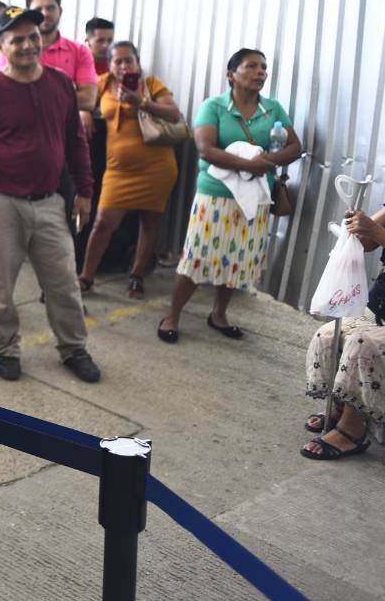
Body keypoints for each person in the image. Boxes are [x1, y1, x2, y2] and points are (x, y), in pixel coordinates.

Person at [0, 6, 102, 383]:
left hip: (51, 202)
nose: (26, 45)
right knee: (0, 287)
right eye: (16, 38)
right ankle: (5, 347)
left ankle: (73, 347)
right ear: (0, 44)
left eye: (32, 37)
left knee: (64, 283)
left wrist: (84, 191)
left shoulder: (60, 84)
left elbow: (75, 142)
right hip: (0, 203)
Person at [156, 48, 302, 343]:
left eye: (263, 67)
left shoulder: (272, 109)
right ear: (231, 74)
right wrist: (250, 164)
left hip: (255, 196)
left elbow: (294, 146)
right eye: (251, 66)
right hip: (216, 195)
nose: (261, 72)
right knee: (198, 257)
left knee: (236, 258)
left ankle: (219, 314)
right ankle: (172, 316)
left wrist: (267, 163)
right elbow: (206, 149)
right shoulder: (214, 106)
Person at [77, 41, 180, 298]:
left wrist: (141, 102)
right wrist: (85, 112)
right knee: (103, 223)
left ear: (137, 62)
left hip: (157, 168)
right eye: (118, 61)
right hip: (118, 170)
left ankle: (136, 275)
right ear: (110, 64)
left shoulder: (152, 84)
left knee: (149, 221)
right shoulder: (102, 83)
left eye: (128, 60)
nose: (123, 66)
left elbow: (174, 114)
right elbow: (82, 99)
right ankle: (86, 277)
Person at [301, 207, 385, 459]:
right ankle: (342, 406)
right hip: (379, 307)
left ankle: (352, 431)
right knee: (329, 335)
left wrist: (377, 232)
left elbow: (377, 234)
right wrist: (357, 226)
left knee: (363, 345)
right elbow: (366, 241)